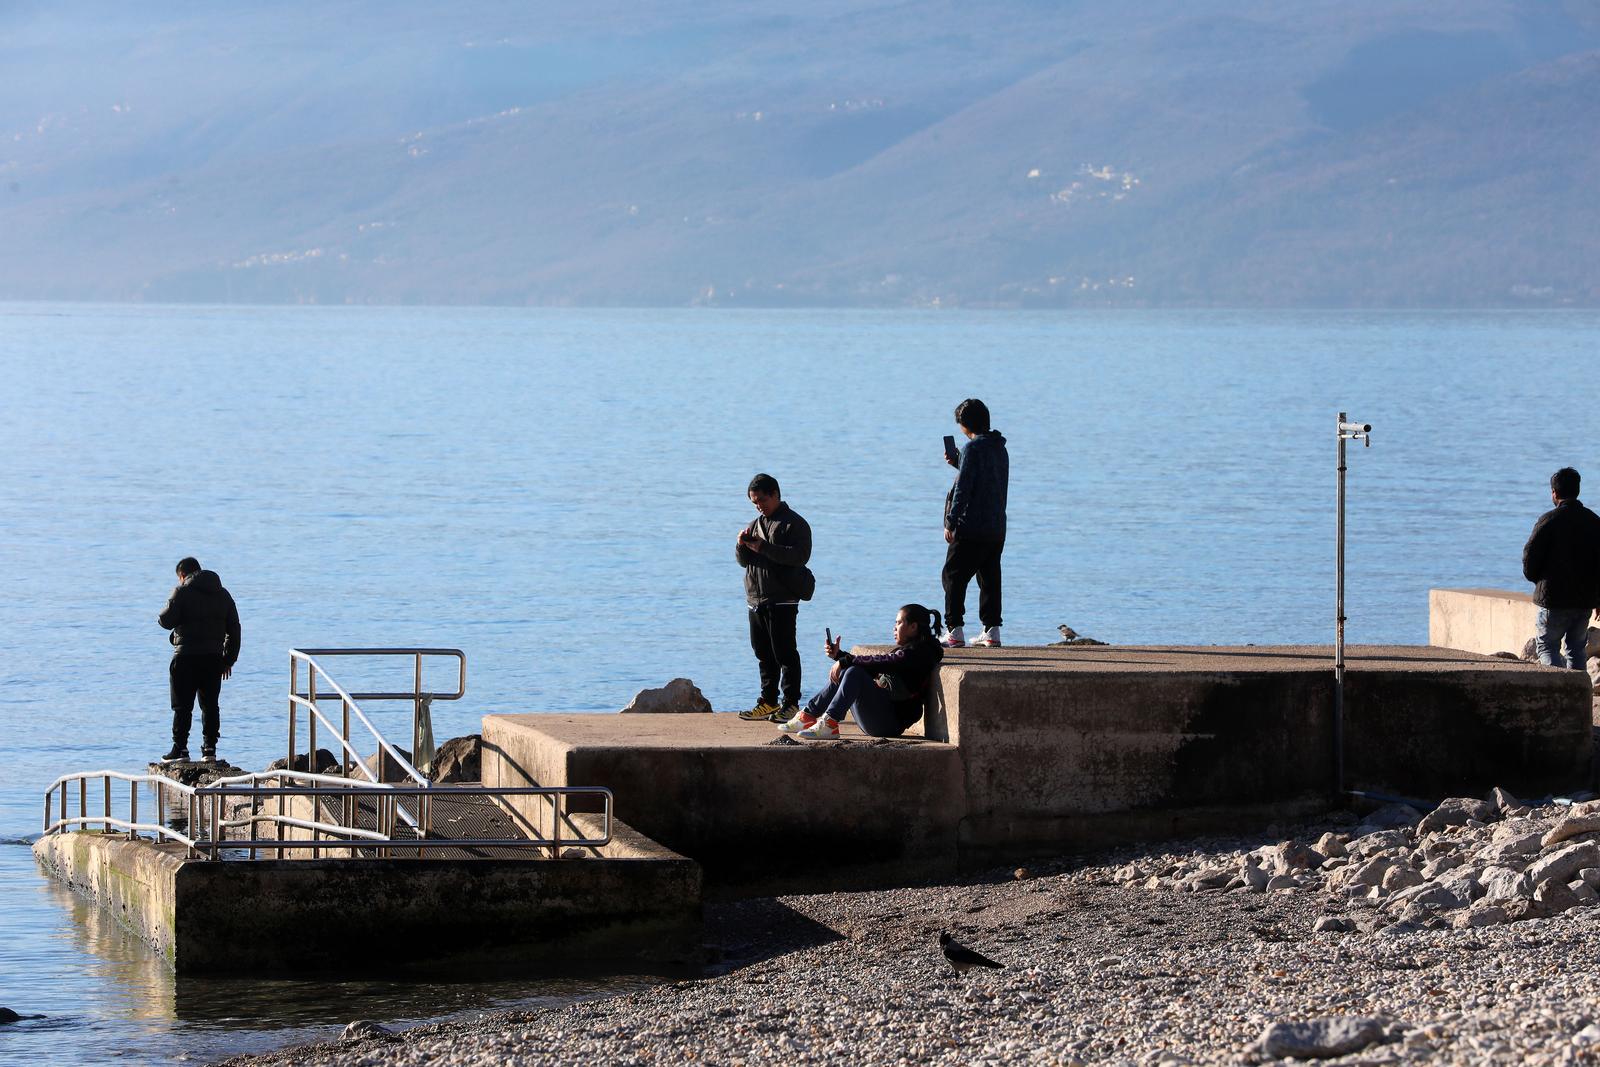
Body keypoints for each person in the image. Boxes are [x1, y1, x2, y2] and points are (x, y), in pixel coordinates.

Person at [779, 604, 945, 740]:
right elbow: (874, 667)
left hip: (888, 724)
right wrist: (840, 656)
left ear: (913, 627)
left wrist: (846, 660)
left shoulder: (918, 654)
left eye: (899, 623)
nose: (894, 628)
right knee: (849, 671)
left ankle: (829, 724)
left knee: (853, 672)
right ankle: (808, 715)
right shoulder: (913, 651)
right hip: (880, 717)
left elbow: (885, 661)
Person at [736, 474, 813, 722]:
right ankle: (768, 702)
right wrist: (741, 545)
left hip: (782, 599)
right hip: (756, 599)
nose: (759, 505)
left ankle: (790, 704)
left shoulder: (795, 524)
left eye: (761, 500)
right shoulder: (755, 524)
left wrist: (763, 548)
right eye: (754, 502)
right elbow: (743, 562)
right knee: (763, 654)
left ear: (776, 494)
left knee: (785, 653)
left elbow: (800, 557)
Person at [157, 557, 241, 762]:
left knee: (182, 706)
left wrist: (175, 601)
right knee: (210, 705)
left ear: (183, 575)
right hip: (213, 659)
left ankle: (180, 749)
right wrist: (228, 660)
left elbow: (164, 620)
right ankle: (209, 750)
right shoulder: (223, 594)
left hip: (185, 657)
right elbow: (235, 629)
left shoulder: (182, 592)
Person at [941, 398, 1009, 648]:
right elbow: (985, 479)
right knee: (989, 578)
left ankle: (954, 630)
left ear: (965, 424)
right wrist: (959, 462)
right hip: (995, 527)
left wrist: (951, 522)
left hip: (970, 526)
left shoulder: (972, 449)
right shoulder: (999, 447)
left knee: (953, 575)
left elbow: (964, 489)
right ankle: (992, 631)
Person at [1522, 467, 1600, 670]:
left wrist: (1539, 581)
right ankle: (1578, 695)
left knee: (1547, 647)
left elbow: (1530, 560)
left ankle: (1555, 692)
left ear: (1554, 493)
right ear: (1577, 491)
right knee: (1576, 649)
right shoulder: (1594, 521)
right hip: (1584, 601)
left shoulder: (1547, 521)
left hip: (1553, 600)